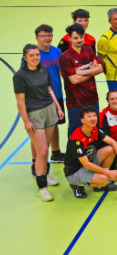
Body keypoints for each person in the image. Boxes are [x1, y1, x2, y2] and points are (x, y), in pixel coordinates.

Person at [15, 44, 63, 201]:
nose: (35, 58)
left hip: (49, 109)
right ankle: (42, 187)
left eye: (37, 55)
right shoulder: (20, 76)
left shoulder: (43, 69)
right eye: (32, 55)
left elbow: (49, 90)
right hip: (34, 114)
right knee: (42, 151)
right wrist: (26, 121)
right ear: (25, 57)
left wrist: (58, 108)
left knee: (45, 147)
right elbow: (20, 101)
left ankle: (44, 174)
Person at [63, 106, 117, 198]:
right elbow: (86, 164)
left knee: (111, 149)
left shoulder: (94, 130)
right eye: (89, 116)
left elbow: (113, 142)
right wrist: (107, 173)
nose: (93, 118)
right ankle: (77, 185)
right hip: (74, 172)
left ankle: (98, 185)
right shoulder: (76, 139)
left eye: (94, 115)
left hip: (88, 163)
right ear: (82, 120)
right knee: (105, 179)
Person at [60, 23, 103, 136]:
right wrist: (91, 72)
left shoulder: (88, 50)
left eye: (81, 37)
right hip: (75, 103)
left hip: (92, 99)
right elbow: (74, 80)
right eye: (76, 38)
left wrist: (81, 72)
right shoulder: (65, 57)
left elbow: (100, 69)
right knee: (76, 134)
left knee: (94, 131)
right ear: (69, 38)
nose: (79, 40)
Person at [33, 24, 65, 163]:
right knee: (40, 130)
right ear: (37, 37)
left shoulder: (57, 52)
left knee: (54, 124)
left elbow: (63, 73)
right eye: (44, 36)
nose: (47, 38)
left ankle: (56, 153)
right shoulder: (33, 55)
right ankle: (37, 161)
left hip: (56, 95)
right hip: (40, 98)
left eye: (50, 35)